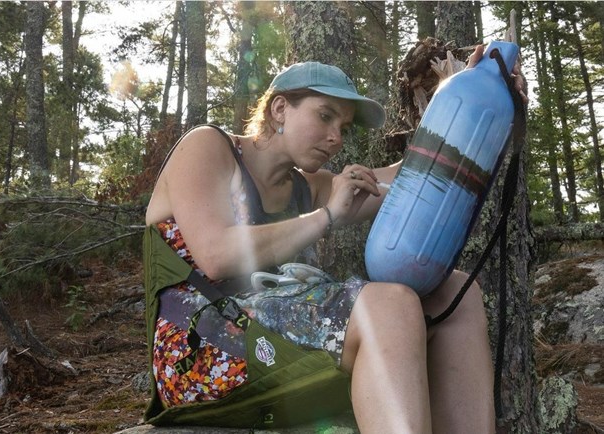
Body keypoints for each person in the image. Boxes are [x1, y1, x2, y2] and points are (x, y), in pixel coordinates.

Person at [145, 45, 526, 433]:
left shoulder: (304, 186)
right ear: (280, 110)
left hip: (268, 334)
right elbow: (216, 254)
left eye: (342, 127)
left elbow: (407, 175)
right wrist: (326, 216)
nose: (335, 138)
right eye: (324, 116)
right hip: (202, 351)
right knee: (388, 305)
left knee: (456, 292)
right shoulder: (208, 146)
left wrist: (472, 103)